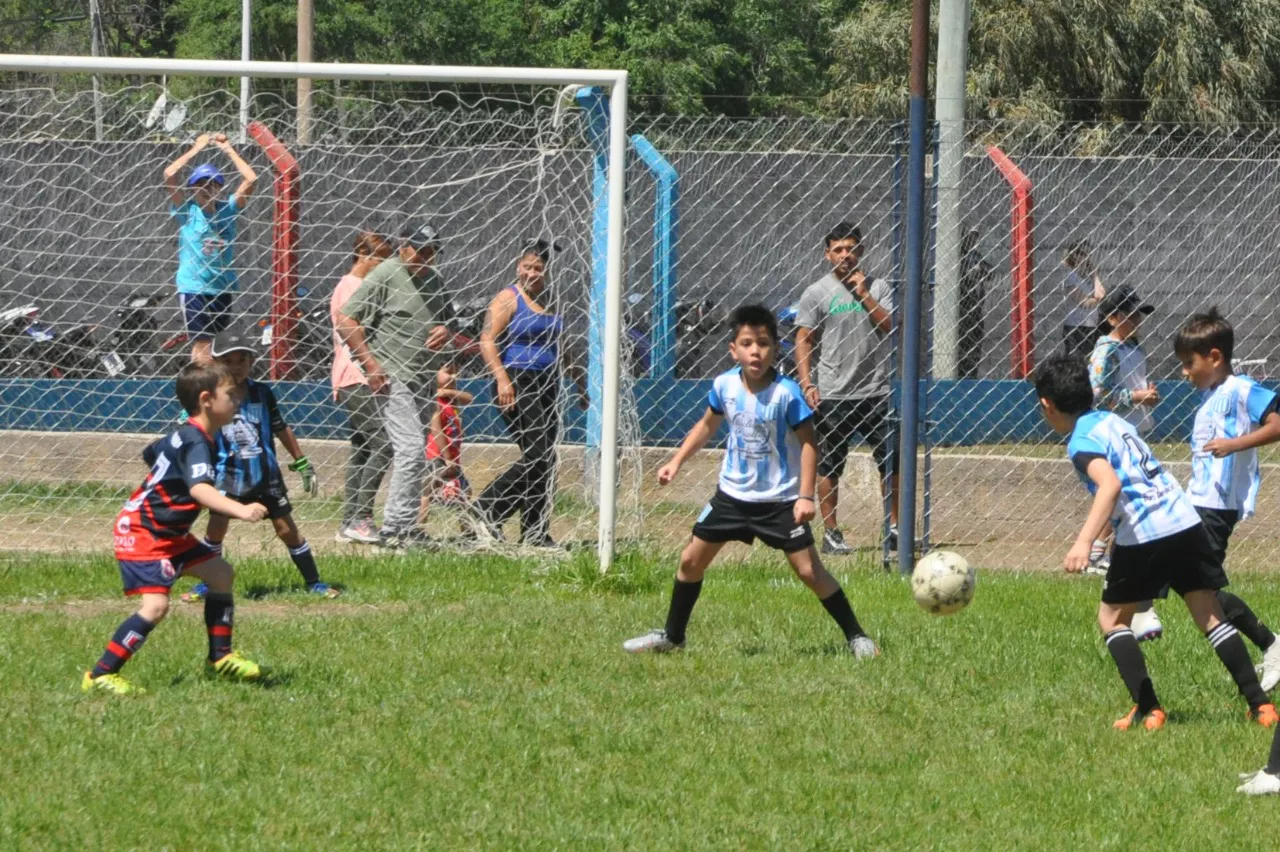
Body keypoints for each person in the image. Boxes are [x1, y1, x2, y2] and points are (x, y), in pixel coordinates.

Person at [1032, 353, 1276, 731]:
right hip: (1183, 519)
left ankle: (1149, 709)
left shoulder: (1080, 441)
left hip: (1146, 533)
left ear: (1047, 405)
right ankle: (1261, 707)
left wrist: (1083, 543)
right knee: (1209, 613)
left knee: (1112, 619)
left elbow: (1110, 486)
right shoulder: (1113, 421)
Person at [622, 304, 879, 659]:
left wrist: (805, 497)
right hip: (731, 497)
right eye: (746, 343)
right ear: (733, 349)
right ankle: (673, 636)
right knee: (689, 563)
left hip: (779, 502)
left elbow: (808, 443)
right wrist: (676, 461)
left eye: (763, 343)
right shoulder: (723, 385)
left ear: (775, 348)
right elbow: (707, 425)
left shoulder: (787, 393)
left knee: (808, 571)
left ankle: (857, 637)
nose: (755, 351)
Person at [83, 362, 268, 695]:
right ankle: (100, 674)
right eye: (230, 394)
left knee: (220, 574)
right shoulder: (196, 442)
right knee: (156, 607)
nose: (237, 399)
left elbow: (152, 452)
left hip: (170, 534)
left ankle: (220, 658)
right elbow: (200, 489)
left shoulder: (187, 434)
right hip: (145, 533)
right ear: (207, 399)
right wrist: (240, 509)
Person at [182, 332, 338, 601]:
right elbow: (195, 430)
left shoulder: (262, 393)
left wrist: (300, 461)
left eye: (243, 359)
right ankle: (207, 584)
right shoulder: (208, 397)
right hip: (227, 475)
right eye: (228, 360)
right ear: (215, 362)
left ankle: (314, 582)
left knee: (287, 529)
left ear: (253, 361)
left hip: (265, 475)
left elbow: (280, 427)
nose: (237, 366)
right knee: (216, 528)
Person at [1174, 308, 1280, 691]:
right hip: (1198, 502)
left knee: (1198, 589)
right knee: (1195, 586)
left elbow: (1277, 423)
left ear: (1215, 357)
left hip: (1217, 508)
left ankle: (1271, 646)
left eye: (1189, 363)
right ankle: (1270, 646)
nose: (1185, 372)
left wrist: (1235, 444)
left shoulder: (1241, 389)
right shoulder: (1213, 397)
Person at [335, 220, 452, 549]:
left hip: (423, 379)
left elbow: (448, 323)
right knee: (410, 450)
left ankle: (407, 526)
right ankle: (394, 528)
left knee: (414, 454)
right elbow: (345, 318)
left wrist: (445, 331)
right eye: (422, 251)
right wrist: (371, 365)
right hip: (391, 376)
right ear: (405, 248)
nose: (427, 259)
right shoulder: (386, 273)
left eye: (432, 253)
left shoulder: (436, 280)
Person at [794, 221, 898, 555]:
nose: (845, 255)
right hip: (834, 392)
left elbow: (889, 326)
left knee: (891, 461)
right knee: (831, 463)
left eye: (851, 248)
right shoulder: (816, 292)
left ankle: (894, 528)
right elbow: (804, 338)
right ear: (827, 255)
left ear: (861, 251)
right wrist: (807, 382)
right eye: (838, 249)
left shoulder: (878, 286)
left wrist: (864, 292)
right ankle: (832, 532)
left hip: (876, 391)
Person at [477, 238, 585, 548]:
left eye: (538, 268)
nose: (532, 273)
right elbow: (487, 340)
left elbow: (563, 346)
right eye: (527, 267)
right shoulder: (508, 298)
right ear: (517, 267)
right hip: (517, 381)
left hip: (549, 383)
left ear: (547, 271)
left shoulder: (553, 301)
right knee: (538, 454)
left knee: (546, 459)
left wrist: (579, 382)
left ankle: (535, 532)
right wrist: (502, 379)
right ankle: (486, 509)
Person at [1087, 287, 1162, 636]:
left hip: (1135, 431)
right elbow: (1098, 394)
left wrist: (1147, 392)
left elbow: (1134, 385)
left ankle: (1105, 551)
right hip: (1116, 432)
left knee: (1129, 495)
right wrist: (1136, 396)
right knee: (1120, 494)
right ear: (1112, 318)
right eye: (1129, 315)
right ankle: (1098, 552)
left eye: (1139, 314)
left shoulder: (1133, 346)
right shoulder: (1107, 348)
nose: (1137, 320)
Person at [163, 132, 258, 364]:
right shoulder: (188, 211)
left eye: (212, 184)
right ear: (193, 188)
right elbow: (169, 174)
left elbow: (251, 179)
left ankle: (210, 382)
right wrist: (197, 148)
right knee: (202, 343)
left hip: (222, 287)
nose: (207, 188)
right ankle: (203, 385)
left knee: (216, 343)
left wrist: (228, 149)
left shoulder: (228, 209)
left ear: (219, 188)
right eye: (201, 184)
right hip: (194, 287)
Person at [331, 230, 395, 544]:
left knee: (363, 447)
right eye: (380, 258)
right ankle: (362, 517)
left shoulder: (368, 286)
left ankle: (349, 522)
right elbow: (348, 324)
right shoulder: (351, 287)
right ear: (362, 254)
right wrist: (372, 365)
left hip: (363, 378)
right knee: (384, 444)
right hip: (355, 377)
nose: (384, 265)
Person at [958, 228, 993, 379]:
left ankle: (971, 376)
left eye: (975, 237)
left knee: (975, 344)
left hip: (975, 307)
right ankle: (961, 376)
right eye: (970, 237)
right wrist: (970, 271)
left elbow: (990, 272)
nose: (973, 240)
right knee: (963, 344)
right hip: (962, 308)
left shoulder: (975, 256)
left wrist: (982, 270)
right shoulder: (958, 256)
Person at [1060, 240, 1106, 358]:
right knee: (1076, 366)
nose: (1087, 258)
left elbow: (1101, 293)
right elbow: (1085, 303)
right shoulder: (1070, 277)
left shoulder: (1086, 278)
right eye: (1083, 254)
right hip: (1076, 328)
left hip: (1091, 327)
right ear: (1075, 256)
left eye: (1088, 254)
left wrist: (1095, 274)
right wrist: (1098, 298)